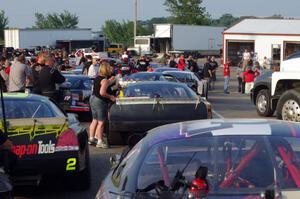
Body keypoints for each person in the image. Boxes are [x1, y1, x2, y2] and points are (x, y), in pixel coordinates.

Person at [89, 62, 116, 148]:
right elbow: (102, 92)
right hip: (99, 101)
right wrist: (111, 96)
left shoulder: (98, 78)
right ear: (106, 70)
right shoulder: (104, 80)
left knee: (94, 120)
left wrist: (110, 81)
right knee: (101, 122)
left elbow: (103, 85)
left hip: (92, 98)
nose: (111, 70)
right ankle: (100, 141)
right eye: (109, 68)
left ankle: (91, 138)